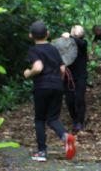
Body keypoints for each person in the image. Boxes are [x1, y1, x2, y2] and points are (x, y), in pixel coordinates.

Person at [24, 20, 76, 162]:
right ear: (47, 33)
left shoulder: (34, 50)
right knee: (53, 118)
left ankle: (42, 152)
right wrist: (58, 81)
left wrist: (28, 73)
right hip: (57, 86)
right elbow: (62, 69)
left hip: (42, 86)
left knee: (40, 119)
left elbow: (38, 67)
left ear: (30, 35)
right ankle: (65, 136)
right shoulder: (54, 49)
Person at [61, 25, 88, 132]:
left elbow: (78, 42)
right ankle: (74, 118)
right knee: (69, 100)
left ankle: (80, 121)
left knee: (79, 98)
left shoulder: (83, 43)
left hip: (81, 76)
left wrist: (70, 36)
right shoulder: (67, 43)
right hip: (68, 77)